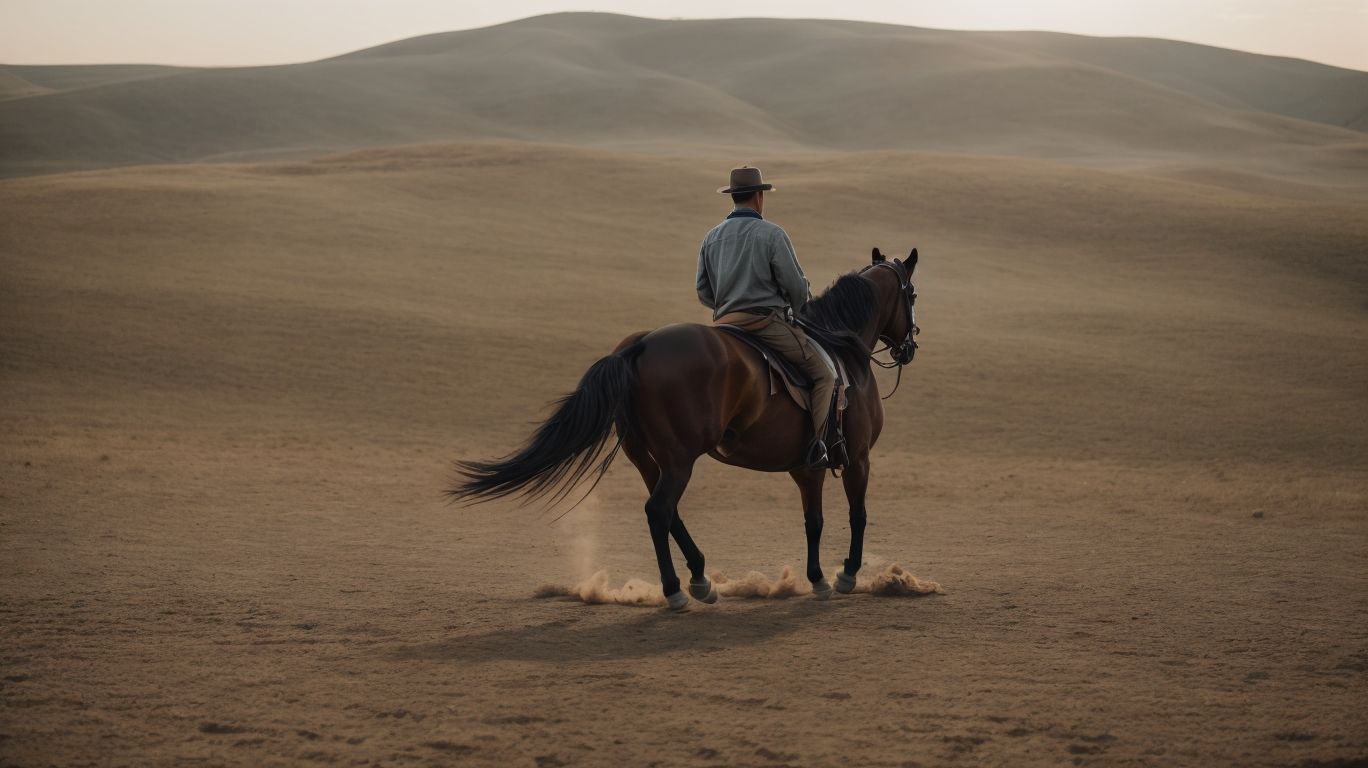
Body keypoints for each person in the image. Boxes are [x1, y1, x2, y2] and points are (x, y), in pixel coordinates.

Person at [696, 166, 838, 469]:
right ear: (759, 197)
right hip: (764, 324)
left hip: (724, 325)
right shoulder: (772, 234)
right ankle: (818, 447)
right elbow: (795, 286)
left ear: (733, 197)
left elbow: (703, 291)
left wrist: (726, 306)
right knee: (824, 375)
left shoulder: (711, 237)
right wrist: (797, 311)